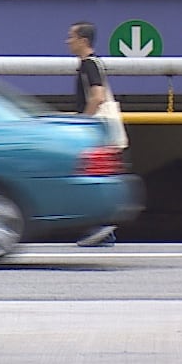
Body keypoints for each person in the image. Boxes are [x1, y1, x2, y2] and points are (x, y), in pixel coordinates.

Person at [67, 20, 118, 247]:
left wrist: (84, 122)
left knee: (91, 176)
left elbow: (97, 97)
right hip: (97, 128)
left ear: (83, 41)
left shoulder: (89, 65)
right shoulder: (89, 64)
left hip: (96, 129)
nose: (68, 41)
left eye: (72, 37)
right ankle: (100, 229)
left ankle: (101, 228)